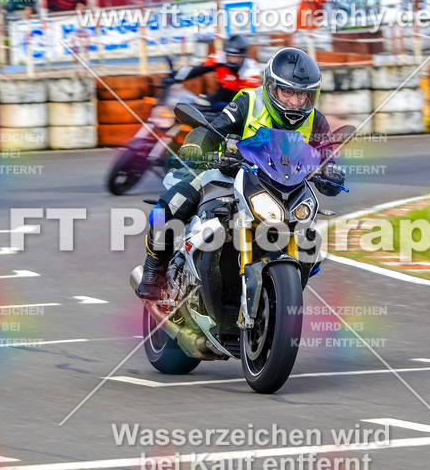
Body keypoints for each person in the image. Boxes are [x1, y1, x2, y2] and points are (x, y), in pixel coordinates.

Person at [135, 47, 346, 300]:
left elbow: (326, 154)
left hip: (284, 188)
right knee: (171, 205)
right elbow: (212, 131)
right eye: (287, 92)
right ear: (271, 87)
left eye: (302, 95)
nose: (294, 101)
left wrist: (332, 171)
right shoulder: (249, 102)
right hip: (232, 174)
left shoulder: (316, 120)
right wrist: (197, 146)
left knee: (311, 243)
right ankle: (154, 269)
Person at [173, 34, 262, 106]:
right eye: (230, 56)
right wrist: (175, 77)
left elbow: (245, 100)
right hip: (220, 96)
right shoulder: (219, 57)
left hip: (240, 102)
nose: (233, 60)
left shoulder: (251, 70)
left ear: (243, 56)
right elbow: (197, 69)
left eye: (236, 57)